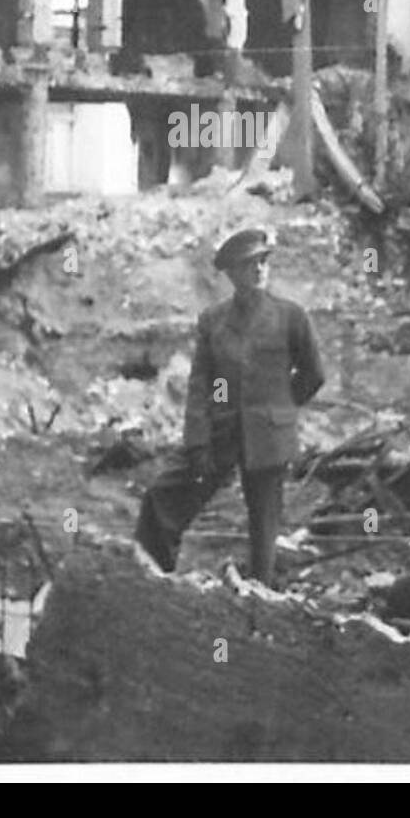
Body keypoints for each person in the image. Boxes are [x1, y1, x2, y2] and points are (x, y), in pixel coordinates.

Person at [134, 227, 325, 587]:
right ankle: (152, 579)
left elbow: (314, 374)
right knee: (162, 497)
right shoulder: (214, 321)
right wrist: (197, 440)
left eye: (264, 262)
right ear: (232, 273)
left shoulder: (291, 317)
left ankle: (260, 598)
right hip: (223, 432)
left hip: (269, 437)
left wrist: (281, 408)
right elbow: (204, 384)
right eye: (250, 264)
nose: (259, 270)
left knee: (264, 527)